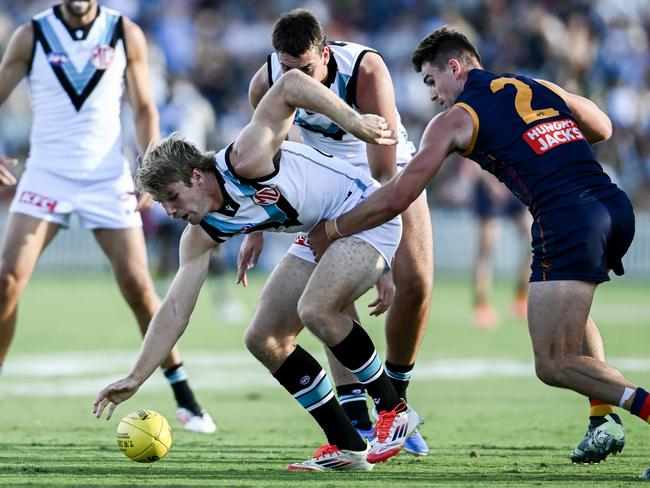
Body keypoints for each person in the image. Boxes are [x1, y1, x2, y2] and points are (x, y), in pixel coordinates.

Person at [308, 26, 641, 468]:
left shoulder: (455, 119)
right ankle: (603, 420)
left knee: (553, 363)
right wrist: (547, 144)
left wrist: (332, 229)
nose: (432, 95)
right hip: (614, 206)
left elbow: (397, 195)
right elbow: (601, 125)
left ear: (455, 66)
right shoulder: (532, 83)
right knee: (572, 317)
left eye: (431, 81)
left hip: (568, 219)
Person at [92, 68, 421, 471]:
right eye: (163, 204)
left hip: (366, 214)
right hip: (323, 231)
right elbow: (175, 308)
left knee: (316, 309)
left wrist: (355, 122)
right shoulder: (201, 231)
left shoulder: (245, 157)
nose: (171, 211)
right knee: (264, 338)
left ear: (196, 175)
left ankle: (395, 410)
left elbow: (290, 83)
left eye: (173, 198)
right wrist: (137, 376)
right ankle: (348, 446)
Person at [0, 0, 215, 433]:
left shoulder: (124, 33)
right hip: (46, 173)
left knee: (138, 288)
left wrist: (150, 170)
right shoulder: (32, 35)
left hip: (106, 176)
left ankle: (185, 396)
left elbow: (143, 108)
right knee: (6, 281)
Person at [237, 9, 433, 455]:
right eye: (287, 71)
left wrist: (377, 261)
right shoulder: (265, 82)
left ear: (325, 54)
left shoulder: (366, 69)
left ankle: (397, 403)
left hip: (389, 170)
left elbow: (383, 171)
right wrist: (257, 227)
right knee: (329, 298)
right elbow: (271, 158)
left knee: (414, 286)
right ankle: (366, 418)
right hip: (327, 178)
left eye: (305, 71)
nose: (296, 82)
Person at [470, 168, 532, 329]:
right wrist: (490, 183)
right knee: (487, 247)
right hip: (490, 184)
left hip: (514, 184)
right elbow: (471, 158)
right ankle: (481, 306)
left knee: (533, 241)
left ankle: (520, 298)